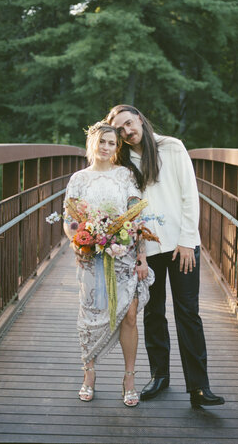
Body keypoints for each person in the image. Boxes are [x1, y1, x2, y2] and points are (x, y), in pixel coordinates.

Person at [106, 104, 225, 407]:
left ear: (141, 121)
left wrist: (187, 240)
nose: (126, 132)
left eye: (129, 124)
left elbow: (190, 194)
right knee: (153, 313)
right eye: (119, 130)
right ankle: (160, 376)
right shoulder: (121, 162)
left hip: (182, 245)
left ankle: (199, 387)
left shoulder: (172, 148)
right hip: (147, 249)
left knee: (188, 312)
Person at [63, 121, 154, 407]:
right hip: (92, 257)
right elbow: (70, 220)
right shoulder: (78, 178)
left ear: (117, 148)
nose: (106, 147)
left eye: (112, 143)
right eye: (102, 141)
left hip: (124, 254)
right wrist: (79, 241)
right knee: (90, 316)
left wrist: (141, 256)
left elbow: (136, 218)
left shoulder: (125, 176)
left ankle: (129, 378)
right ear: (92, 143)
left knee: (129, 314)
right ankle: (89, 374)